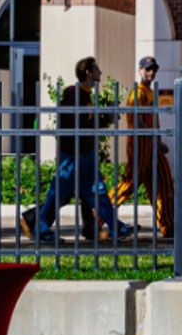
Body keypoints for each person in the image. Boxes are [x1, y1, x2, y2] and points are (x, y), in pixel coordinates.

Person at [18, 57, 135, 243]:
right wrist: (101, 117)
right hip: (73, 156)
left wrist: (105, 117)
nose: (100, 72)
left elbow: (87, 123)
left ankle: (116, 227)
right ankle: (40, 228)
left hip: (85, 156)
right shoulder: (74, 93)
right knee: (58, 194)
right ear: (88, 72)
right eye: (97, 68)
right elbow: (76, 124)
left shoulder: (87, 95)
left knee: (98, 193)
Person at [109, 56, 175, 238]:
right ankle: (97, 219)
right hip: (140, 145)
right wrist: (155, 139)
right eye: (147, 69)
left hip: (153, 146)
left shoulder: (151, 92)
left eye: (154, 69)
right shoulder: (137, 93)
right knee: (129, 184)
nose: (151, 73)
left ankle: (168, 225)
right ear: (140, 71)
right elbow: (137, 120)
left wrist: (158, 141)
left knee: (163, 182)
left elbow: (153, 121)